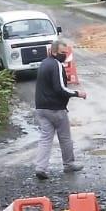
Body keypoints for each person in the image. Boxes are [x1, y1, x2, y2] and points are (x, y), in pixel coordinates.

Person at [33, 39, 87, 180]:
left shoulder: (44, 63)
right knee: (65, 137)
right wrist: (77, 93)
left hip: (41, 108)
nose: (64, 55)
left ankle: (41, 167)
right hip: (55, 108)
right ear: (54, 51)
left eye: (66, 52)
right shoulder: (56, 65)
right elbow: (60, 88)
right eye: (62, 53)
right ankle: (69, 164)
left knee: (45, 138)